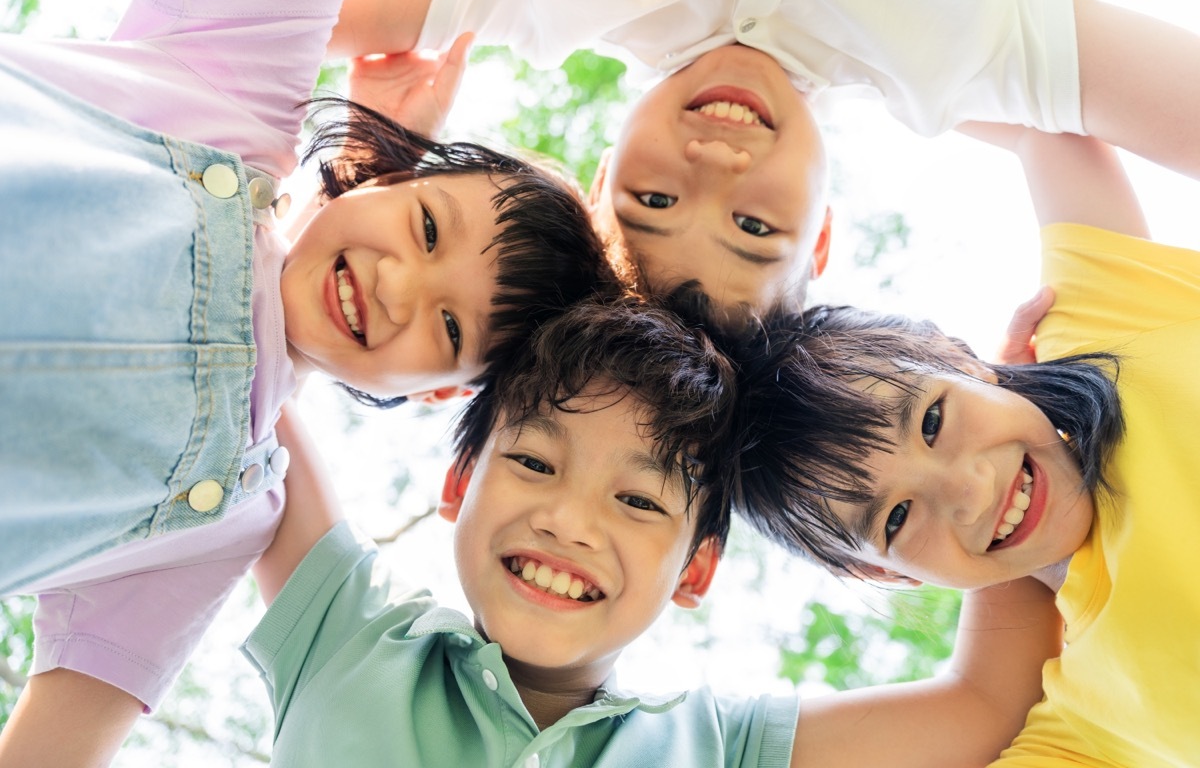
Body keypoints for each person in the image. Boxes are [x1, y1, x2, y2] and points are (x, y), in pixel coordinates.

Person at [0, 0, 608, 761]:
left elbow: (54, 745)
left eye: (450, 324)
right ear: (390, 174)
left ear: (438, 393)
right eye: (426, 227)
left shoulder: (227, 520)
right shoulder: (236, 95)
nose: (396, 287)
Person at [237, 296, 1063, 768]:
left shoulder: (721, 748)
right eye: (532, 463)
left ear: (696, 570)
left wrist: (1000, 435)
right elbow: (250, 358)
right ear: (460, 482)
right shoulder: (344, 636)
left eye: (639, 503)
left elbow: (987, 702)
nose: (568, 521)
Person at [329, 0, 1200, 316]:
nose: (717, 167)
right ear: (820, 231)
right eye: (756, 229)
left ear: (600, 184)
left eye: (656, 203)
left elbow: (245, 9)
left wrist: (367, 167)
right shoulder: (962, 61)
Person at [728, 126, 1199, 765]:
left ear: (958, 356)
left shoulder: (1106, 324)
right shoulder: (1089, 725)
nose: (973, 491)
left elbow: (1042, 107)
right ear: (883, 572)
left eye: (932, 421)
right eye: (898, 518)